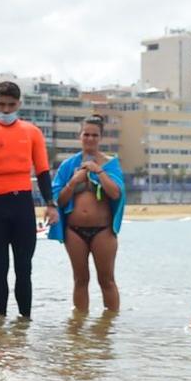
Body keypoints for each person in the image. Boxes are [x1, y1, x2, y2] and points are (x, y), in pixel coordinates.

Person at [0, 81, 56, 320]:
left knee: (24, 268)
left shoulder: (32, 132)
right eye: (2, 104)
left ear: (19, 104)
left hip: (23, 204)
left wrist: (50, 203)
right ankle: (0, 320)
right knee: (0, 267)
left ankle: (24, 321)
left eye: (11, 105)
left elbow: (43, 171)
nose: (5, 110)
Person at [51, 116, 124, 313]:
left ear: (101, 137)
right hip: (75, 231)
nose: (90, 139)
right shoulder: (69, 165)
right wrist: (74, 182)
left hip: (103, 230)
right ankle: (79, 326)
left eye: (95, 135)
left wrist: (99, 172)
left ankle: (109, 327)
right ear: (80, 136)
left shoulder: (110, 164)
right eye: (86, 134)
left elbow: (116, 193)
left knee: (107, 279)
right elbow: (58, 199)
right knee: (80, 279)